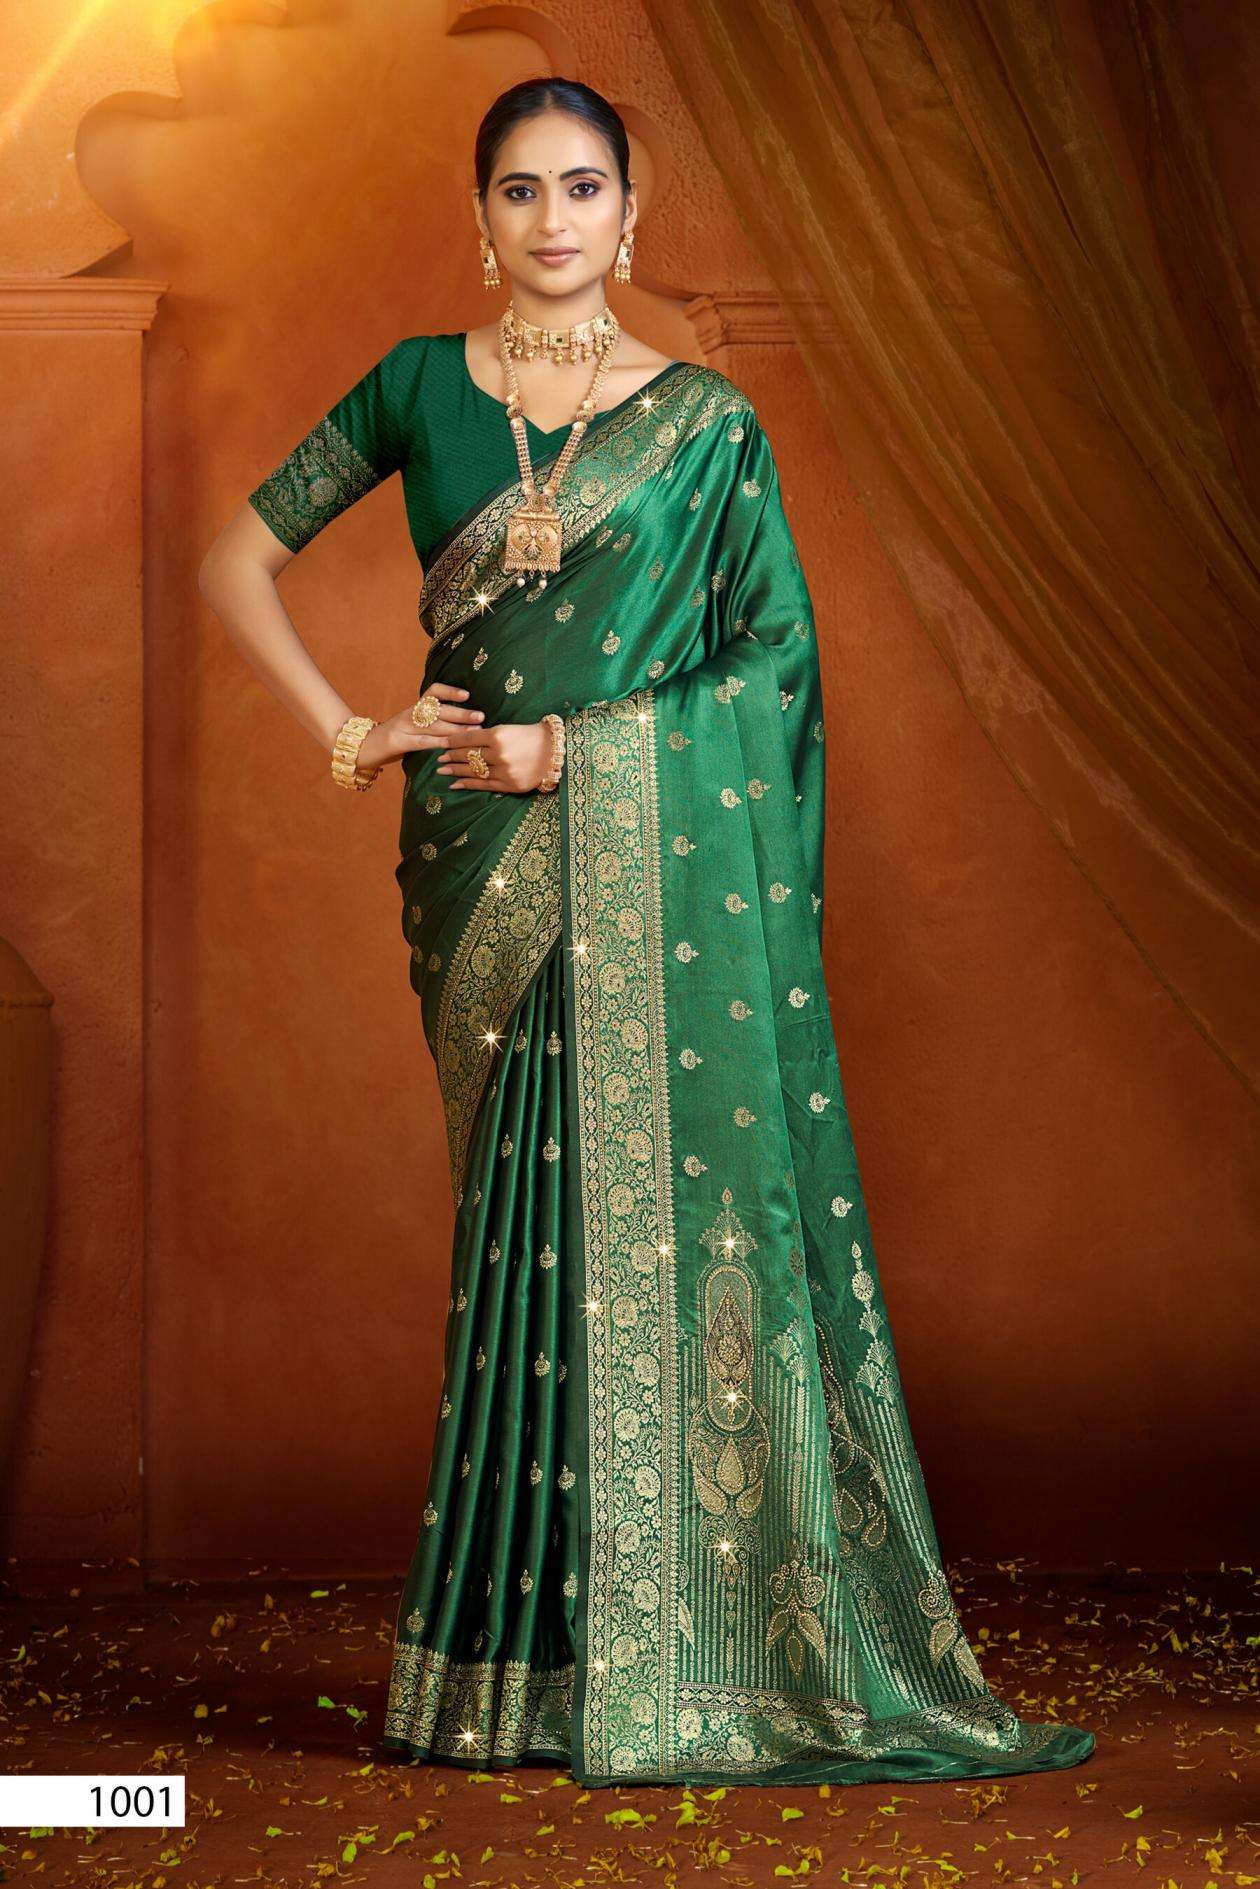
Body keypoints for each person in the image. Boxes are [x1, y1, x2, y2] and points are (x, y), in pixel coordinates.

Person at [198, 74, 1095, 1790]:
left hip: (644, 857)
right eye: (520, 189)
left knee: (661, 1224)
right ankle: (512, 1669)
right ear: (481, 214)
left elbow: (777, 667)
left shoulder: (707, 425)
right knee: (522, 1245)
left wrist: (582, 750)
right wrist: (354, 730)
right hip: (481, 869)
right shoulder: (415, 386)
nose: (554, 220)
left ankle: (696, 1650)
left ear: (633, 206)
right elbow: (234, 562)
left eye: (585, 187)